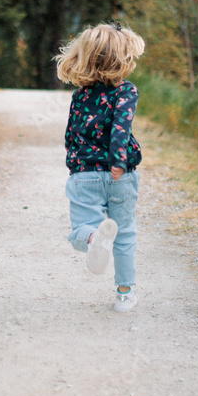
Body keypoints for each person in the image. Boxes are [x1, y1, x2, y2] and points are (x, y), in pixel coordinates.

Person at [54, 22, 145, 312]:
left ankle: (94, 238)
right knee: (125, 232)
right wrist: (118, 161)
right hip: (121, 176)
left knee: (81, 228)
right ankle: (124, 295)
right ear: (122, 58)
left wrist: (75, 165)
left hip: (85, 174)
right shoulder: (126, 91)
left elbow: (71, 135)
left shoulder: (80, 95)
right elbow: (121, 126)